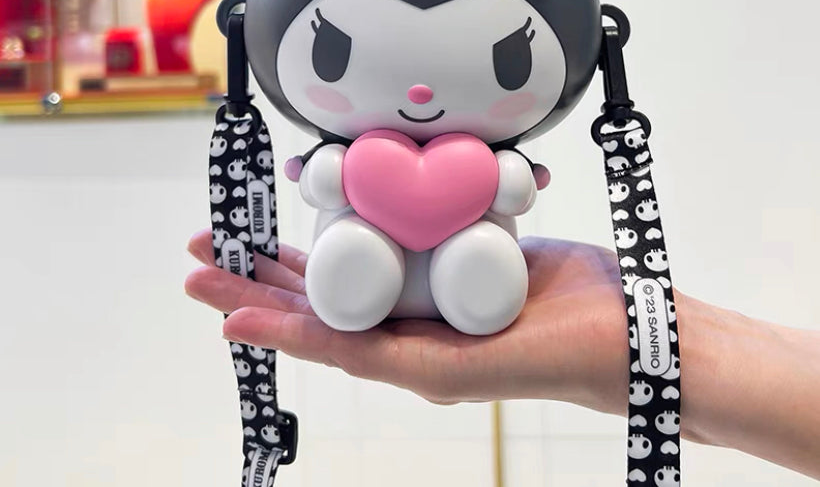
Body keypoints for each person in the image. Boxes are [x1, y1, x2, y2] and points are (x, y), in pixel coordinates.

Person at [185, 229, 820, 480]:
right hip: (371, 237)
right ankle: (359, 265)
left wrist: (667, 339)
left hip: (476, 243)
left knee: (477, 262)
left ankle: (461, 271)